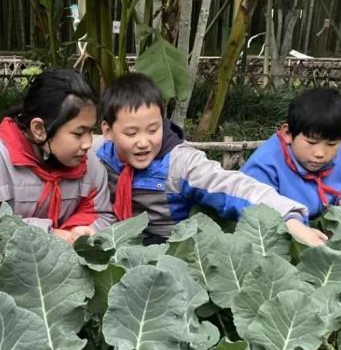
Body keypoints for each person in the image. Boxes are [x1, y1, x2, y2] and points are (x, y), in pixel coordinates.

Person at [96, 73, 327, 246]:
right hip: (114, 243)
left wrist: (288, 216)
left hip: (170, 255)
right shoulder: (97, 155)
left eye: (153, 129)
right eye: (131, 133)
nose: (144, 142)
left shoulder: (180, 164)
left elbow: (232, 186)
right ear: (108, 131)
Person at [0, 68, 114, 264]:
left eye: (90, 131)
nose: (87, 143)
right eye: (78, 133)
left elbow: (101, 215)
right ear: (39, 129)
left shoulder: (91, 165)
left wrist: (81, 234)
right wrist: (46, 236)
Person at [241, 87, 341, 219]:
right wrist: (294, 224)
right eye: (311, 142)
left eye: (331, 144)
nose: (320, 153)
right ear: (288, 133)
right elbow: (253, 207)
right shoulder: (265, 165)